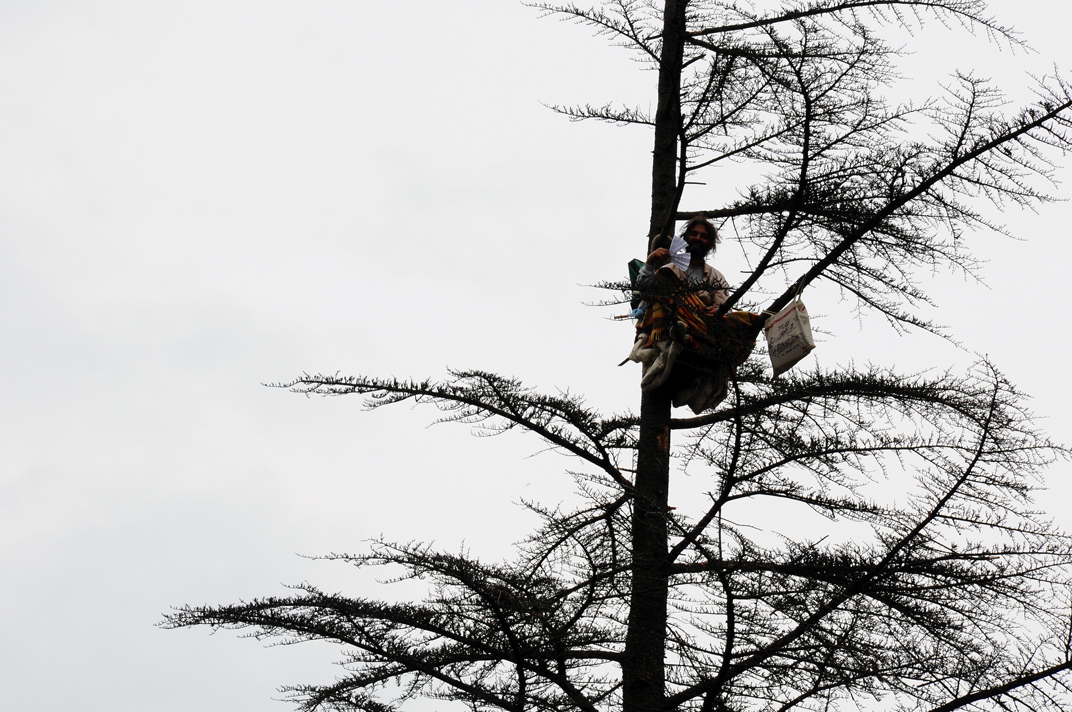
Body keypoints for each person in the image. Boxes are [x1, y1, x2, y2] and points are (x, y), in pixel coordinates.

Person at [628, 216, 758, 413]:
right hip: (670, 324)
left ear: (710, 244)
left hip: (702, 329)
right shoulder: (669, 269)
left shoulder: (715, 276)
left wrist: (718, 311)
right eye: (694, 234)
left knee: (743, 322)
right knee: (663, 298)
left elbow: (722, 306)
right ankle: (677, 335)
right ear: (686, 238)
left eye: (703, 236)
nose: (698, 238)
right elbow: (646, 292)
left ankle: (686, 336)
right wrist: (650, 263)